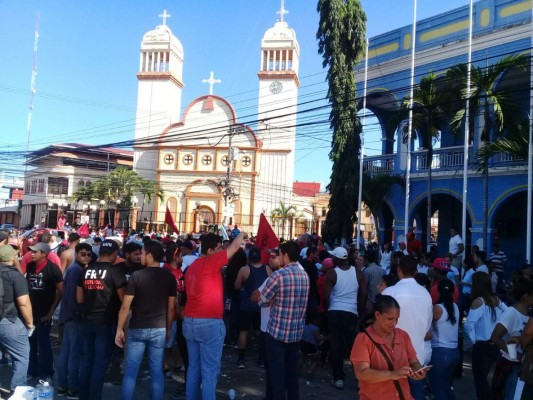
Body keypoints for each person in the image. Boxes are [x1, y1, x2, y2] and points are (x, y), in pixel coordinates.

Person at [183, 232, 244, 400]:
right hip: (208, 322)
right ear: (210, 251)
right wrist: (242, 234)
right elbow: (235, 246)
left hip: (190, 321)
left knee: (194, 368)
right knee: (209, 372)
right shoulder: (210, 263)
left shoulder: (192, 267)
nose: (221, 251)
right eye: (219, 248)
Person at [115, 240, 177, 400]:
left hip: (138, 327)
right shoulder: (169, 276)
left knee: (130, 372)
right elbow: (171, 307)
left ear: (149, 255)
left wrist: (119, 329)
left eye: (142, 253)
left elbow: (125, 306)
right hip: (159, 327)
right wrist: (169, 328)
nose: (140, 256)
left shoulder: (137, 276)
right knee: (156, 371)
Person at [258, 240, 309, 400]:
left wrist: (272, 300)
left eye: (279, 254)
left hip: (277, 334)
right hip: (295, 334)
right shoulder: (305, 275)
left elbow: (261, 300)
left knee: (276, 377)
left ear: (285, 256)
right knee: (292, 376)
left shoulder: (279, 275)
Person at [350, 294, 428, 400]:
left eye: (397, 319)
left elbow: (413, 361)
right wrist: (393, 374)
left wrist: (419, 371)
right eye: (390, 319)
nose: (394, 323)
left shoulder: (403, 335)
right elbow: (361, 373)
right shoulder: (363, 339)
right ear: (377, 315)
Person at [77, 239, 127, 400]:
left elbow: (79, 299)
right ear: (114, 254)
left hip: (87, 320)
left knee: (86, 361)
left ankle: (83, 395)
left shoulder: (86, 270)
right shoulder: (115, 272)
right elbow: (123, 299)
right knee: (100, 364)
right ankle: (94, 396)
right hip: (105, 322)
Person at [382, 255, 433, 400]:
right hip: (417, 354)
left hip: (391, 356)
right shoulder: (425, 294)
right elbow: (427, 326)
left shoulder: (390, 292)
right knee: (416, 393)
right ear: (416, 271)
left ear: (398, 270)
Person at [323, 246, 367, 389]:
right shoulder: (358, 273)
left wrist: (327, 309)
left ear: (336, 259)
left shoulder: (331, 273)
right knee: (354, 345)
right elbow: (364, 294)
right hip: (351, 312)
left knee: (336, 345)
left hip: (334, 312)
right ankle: (360, 377)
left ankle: (338, 378)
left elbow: (326, 296)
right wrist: (358, 310)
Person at [56, 242, 92, 398]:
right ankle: (71, 387)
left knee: (66, 352)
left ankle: (62, 385)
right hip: (74, 317)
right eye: (83, 254)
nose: (86, 257)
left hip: (69, 315)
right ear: (76, 255)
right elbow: (71, 296)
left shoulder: (76, 269)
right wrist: (79, 314)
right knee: (73, 353)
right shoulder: (76, 270)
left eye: (89, 254)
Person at [464, 272, 508, 400]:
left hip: (482, 346)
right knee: (490, 380)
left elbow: (468, 325)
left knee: (481, 381)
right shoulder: (497, 300)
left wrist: (473, 341)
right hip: (495, 345)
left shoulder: (479, 301)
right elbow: (508, 313)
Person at [490, 270, 533, 400]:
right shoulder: (511, 313)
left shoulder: (529, 314)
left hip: (524, 366)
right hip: (511, 366)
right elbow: (495, 337)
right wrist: (516, 355)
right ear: (526, 296)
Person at [25, 242, 63, 381]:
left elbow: (60, 290)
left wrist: (51, 312)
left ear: (44, 254)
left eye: (35, 252)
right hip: (30, 312)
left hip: (44, 313)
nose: (32, 254)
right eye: (31, 251)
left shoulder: (52, 269)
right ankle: (32, 370)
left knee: (44, 344)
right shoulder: (30, 266)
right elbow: (27, 285)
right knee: (31, 343)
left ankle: (46, 373)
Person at [0, 245, 34, 392]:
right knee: (21, 356)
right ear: (12, 258)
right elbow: (24, 303)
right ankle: (18, 392)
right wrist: (30, 323)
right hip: (9, 320)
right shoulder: (15, 275)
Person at [234, 246, 270, 368]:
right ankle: (261, 358)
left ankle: (241, 359)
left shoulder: (244, 269)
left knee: (243, 332)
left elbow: (237, 286)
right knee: (261, 332)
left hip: (246, 305)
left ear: (249, 257)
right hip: (261, 306)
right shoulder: (268, 269)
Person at [428, 279, 460, 400]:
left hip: (440, 352)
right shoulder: (455, 307)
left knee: (438, 388)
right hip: (454, 353)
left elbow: (426, 325)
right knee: (446, 386)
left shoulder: (437, 308)